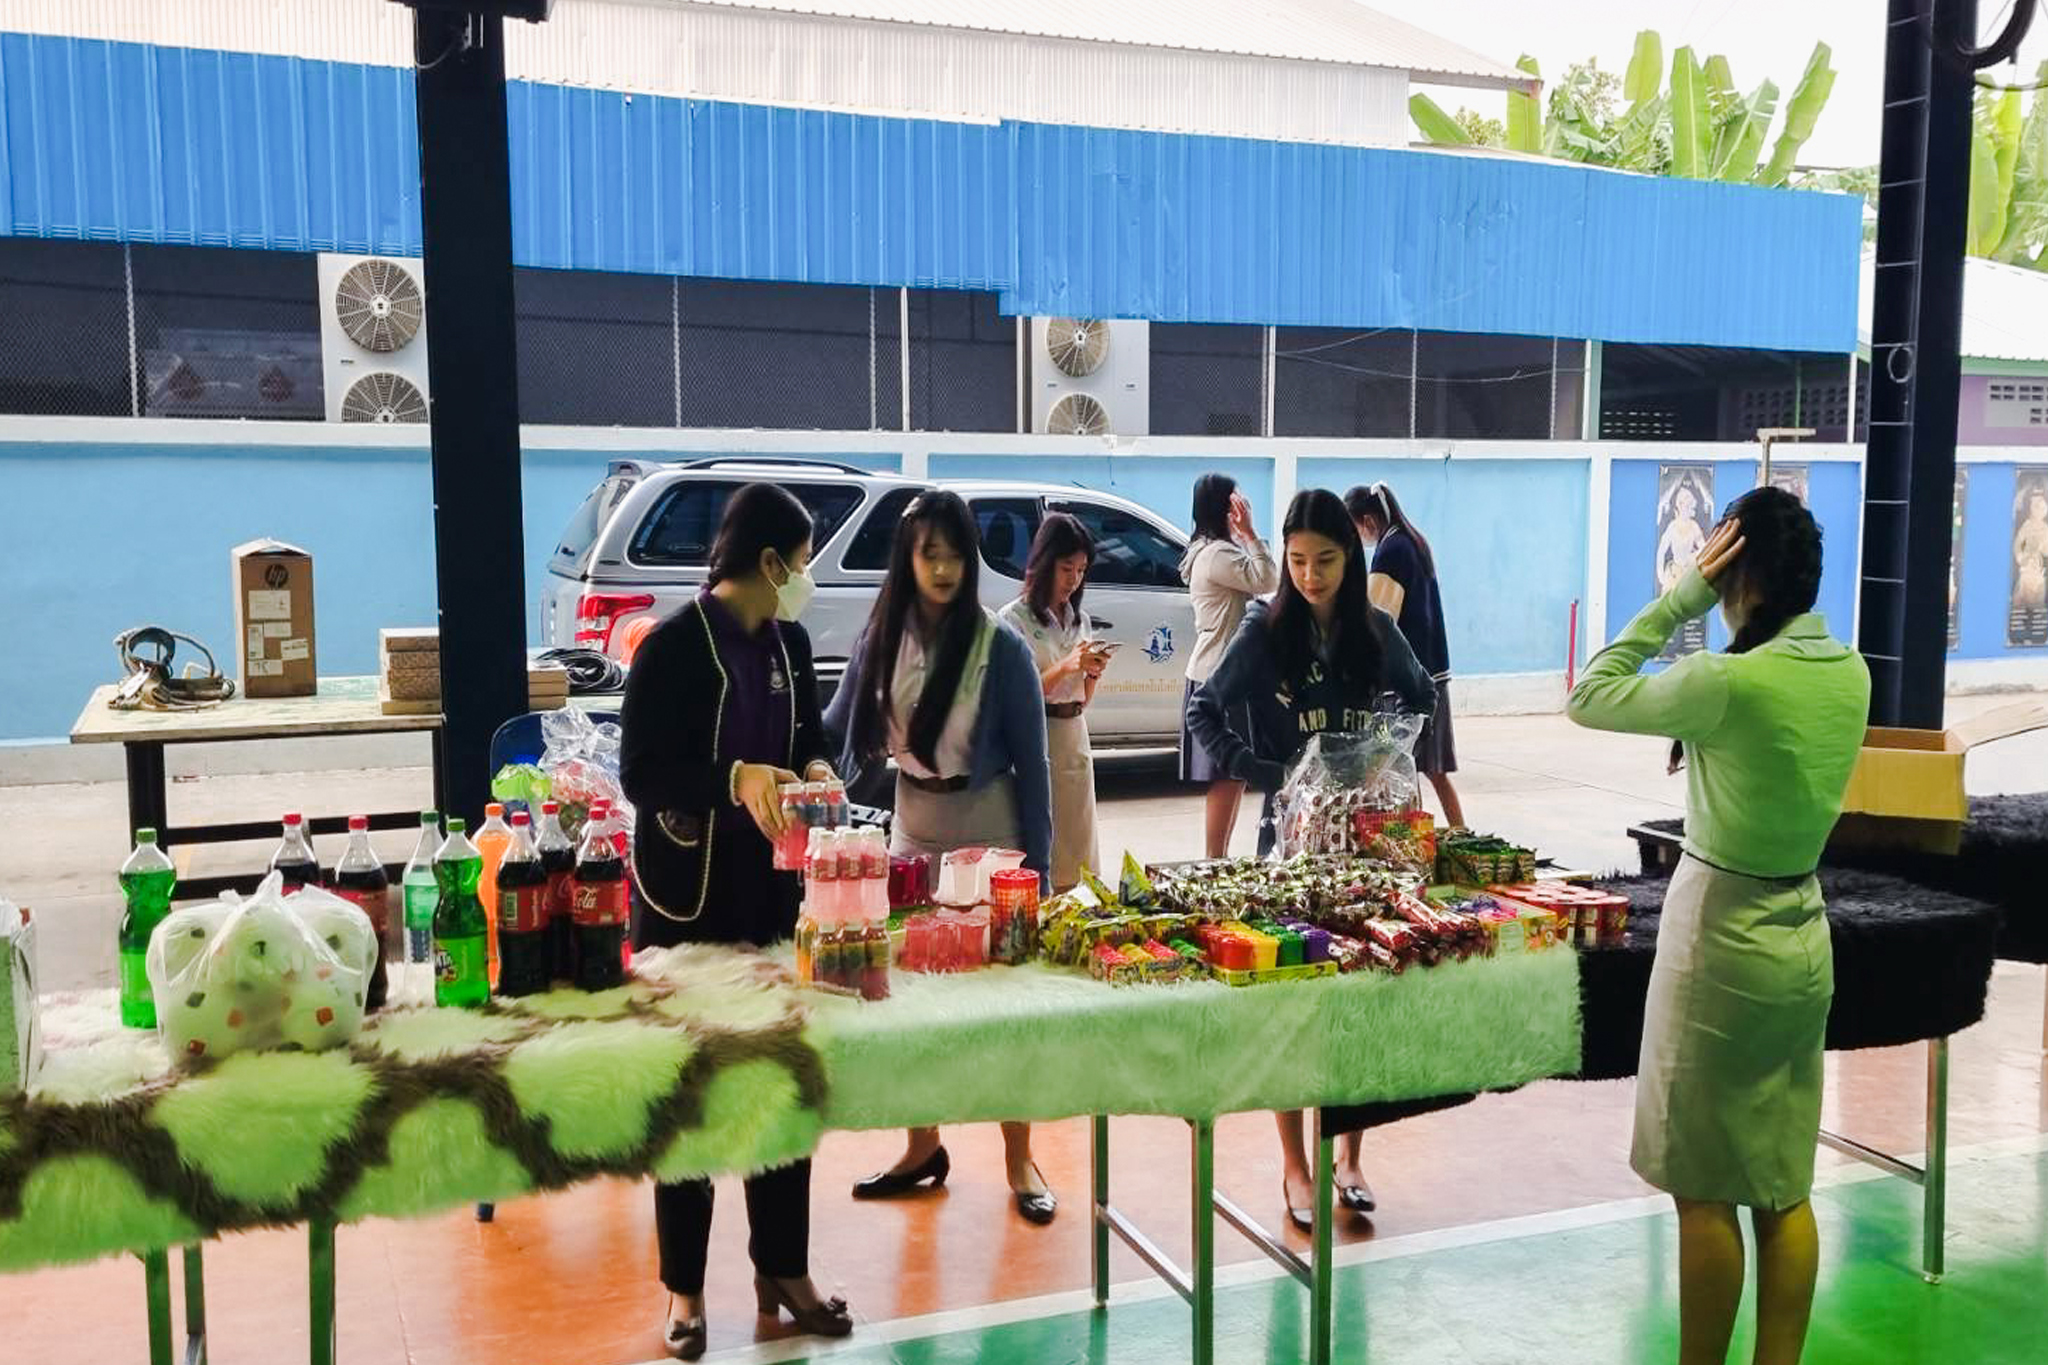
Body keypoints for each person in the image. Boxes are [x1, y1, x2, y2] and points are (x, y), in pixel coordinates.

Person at [1566, 487, 1869, 1365]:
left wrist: (1683, 598)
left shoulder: (1724, 680)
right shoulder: (1848, 673)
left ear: (1735, 571)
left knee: (1702, 1189)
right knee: (1781, 1184)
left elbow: (1592, 691)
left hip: (1719, 947)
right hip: (1801, 932)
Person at [618, 483, 854, 1359]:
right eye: (801, 561)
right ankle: (683, 1287)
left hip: (771, 898)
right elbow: (641, 774)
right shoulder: (672, 647)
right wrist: (733, 778)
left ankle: (781, 1268)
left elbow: (809, 737)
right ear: (767, 562)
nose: (805, 578)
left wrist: (817, 763)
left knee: (781, 1082)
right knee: (691, 1091)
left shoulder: (788, 641)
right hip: (686, 903)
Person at [1187, 487, 1435, 1228]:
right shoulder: (1267, 631)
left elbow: (1422, 697)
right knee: (1293, 1009)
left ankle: (1349, 1155)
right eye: (1295, 559)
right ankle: (1295, 1163)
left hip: (1366, 850)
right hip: (1290, 849)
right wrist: (1263, 771)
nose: (1308, 574)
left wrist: (1383, 757)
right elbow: (1204, 708)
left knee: (1357, 1009)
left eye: (1324, 559)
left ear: (1349, 559)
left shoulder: (1376, 629)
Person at [825, 490, 1059, 1224]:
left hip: (989, 833)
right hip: (910, 831)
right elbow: (836, 731)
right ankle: (922, 1145)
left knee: (1002, 1006)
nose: (945, 566)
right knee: (909, 1002)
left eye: (957, 552)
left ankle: (1020, 1156)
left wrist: (1039, 878)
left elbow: (1035, 768)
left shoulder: (1002, 647)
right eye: (931, 552)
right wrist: (795, 770)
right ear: (908, 557)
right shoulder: (881, 636)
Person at [998, 512, 1107, 890]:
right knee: (1044, 836)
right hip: (1038, 738)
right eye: (1066, 568)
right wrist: (1065, 666)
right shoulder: (1013, 621)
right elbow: (1016, 697)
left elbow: (1081, 699)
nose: (1073, 580)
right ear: (1043, 564)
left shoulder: (1080, 619)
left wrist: (1090, 675)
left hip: (1075, 736)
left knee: (1078, 841)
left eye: (1081, 570)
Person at [1345, 483, 1464, 828]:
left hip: (1409, 682)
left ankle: (1413, 843)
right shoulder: (1413, 540)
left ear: (1366, 520)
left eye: (1354, 529)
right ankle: (1460, 833)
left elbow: (1379, 620)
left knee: (1397, 769)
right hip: (1434, 673)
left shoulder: (1390, 551)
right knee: (1432, 769)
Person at [1178, 472, 1280, 857]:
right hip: (1220, 676)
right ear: (1226, 508)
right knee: (1227, 774)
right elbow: (1267, 578)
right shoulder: (1218, 555)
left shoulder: (1209, 549)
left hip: (1219, 672)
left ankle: (1217, 858)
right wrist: (1250, 533)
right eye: (1237, 502)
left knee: (1235, 774)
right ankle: (1214, 860)